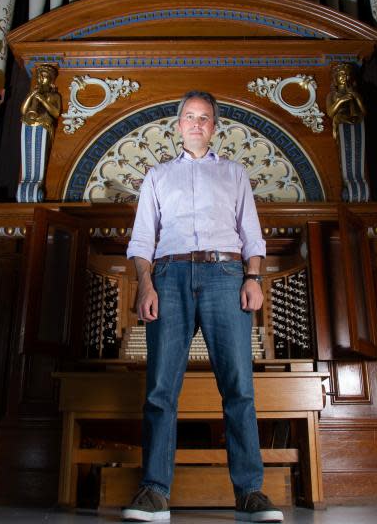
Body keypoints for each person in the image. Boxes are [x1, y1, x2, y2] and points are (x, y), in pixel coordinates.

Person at [122, 91, 283, 523]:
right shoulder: (156, 176)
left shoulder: (235, 173)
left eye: (205, 118)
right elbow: (141, 240)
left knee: (238, 389)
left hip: (225, 277)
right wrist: (145, 284)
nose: (196, 123)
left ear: (214, 127)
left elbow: (252, 235)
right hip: (168, 277)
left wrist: (253, 279)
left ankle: (250, 493)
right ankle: (154, 492)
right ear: (178, 125)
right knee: (160, 390)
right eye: (189, 117)